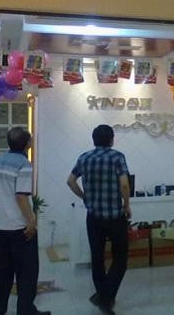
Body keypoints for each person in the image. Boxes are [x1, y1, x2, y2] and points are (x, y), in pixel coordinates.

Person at [67, 125, 131, 315]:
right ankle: (106, 297)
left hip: (93, 217)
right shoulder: (117, 157)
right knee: (121, 257)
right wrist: (127, 205)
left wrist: (84, 197)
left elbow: (70, 181)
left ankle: (103, 295)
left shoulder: (84, 158)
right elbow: (125, 185)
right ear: (111, 139)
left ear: (94, 140)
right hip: (115, 216)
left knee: (97, 257)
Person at [0, 127, 50, 315]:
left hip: (0, 227)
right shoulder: (24, 164)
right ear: (27, 144)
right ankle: (26, 311)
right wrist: (31, 221)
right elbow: (21, 196)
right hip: (20, 229)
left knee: (0, 275)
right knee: (27, 275)